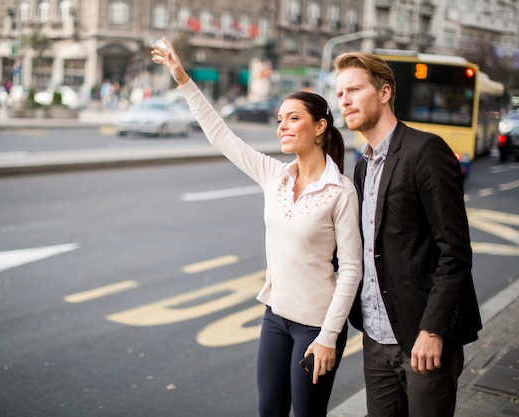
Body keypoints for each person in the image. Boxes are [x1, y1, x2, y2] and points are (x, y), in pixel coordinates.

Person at [152, 38, 362, 417]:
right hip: (275, 316)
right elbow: (221, 135)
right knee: (269, 410)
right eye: (280, 118)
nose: (282, 126)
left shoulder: (340, 191)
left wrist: (329, 337)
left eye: (293, 118)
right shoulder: (275, 176)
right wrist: (182, 79)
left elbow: (351, 269)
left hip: (316, 326)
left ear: (320, 127)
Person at [334, 52, 482, 417]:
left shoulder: (425, 150)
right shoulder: (361, 167)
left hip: (421, 336)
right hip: (375, 337)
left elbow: (455, 251)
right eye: (340, 94)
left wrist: (433, 330)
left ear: (384, 93)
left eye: (354, 89)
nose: (345, 100)